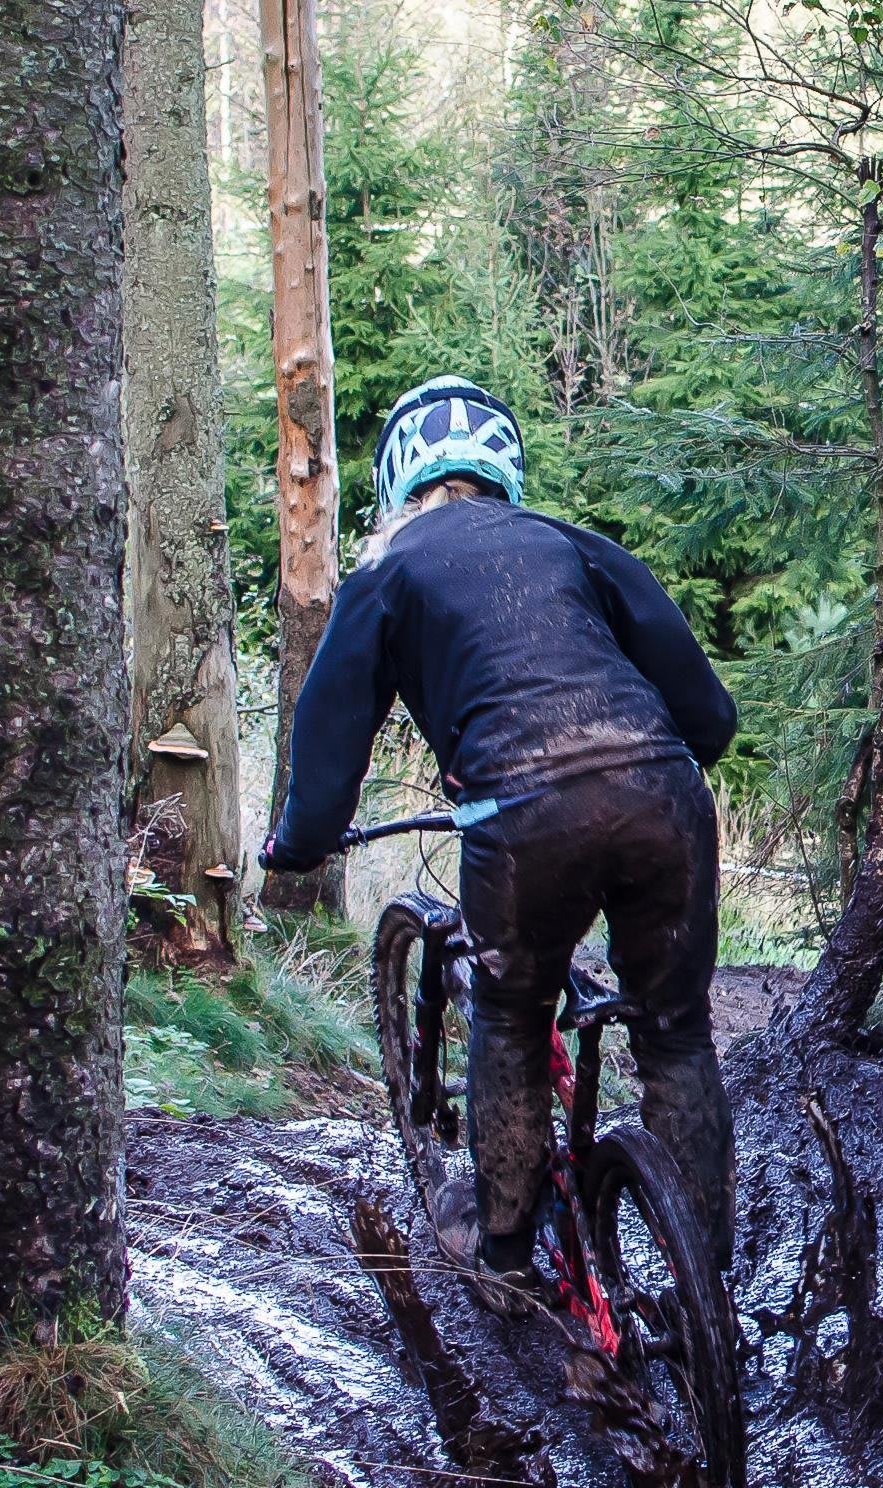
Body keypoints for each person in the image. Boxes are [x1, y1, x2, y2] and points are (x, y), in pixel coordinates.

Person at [257, 374, 738, 1293]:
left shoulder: (387, 568)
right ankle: (705, 1287)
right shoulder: (569, 543)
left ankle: (506, 1249)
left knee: (512, 1013)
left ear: (400, 479)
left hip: (524, 819)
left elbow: (327, 739)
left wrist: (301, 844)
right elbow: (706, 715)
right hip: (663, 796)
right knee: (677, 1035)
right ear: (505, 470)